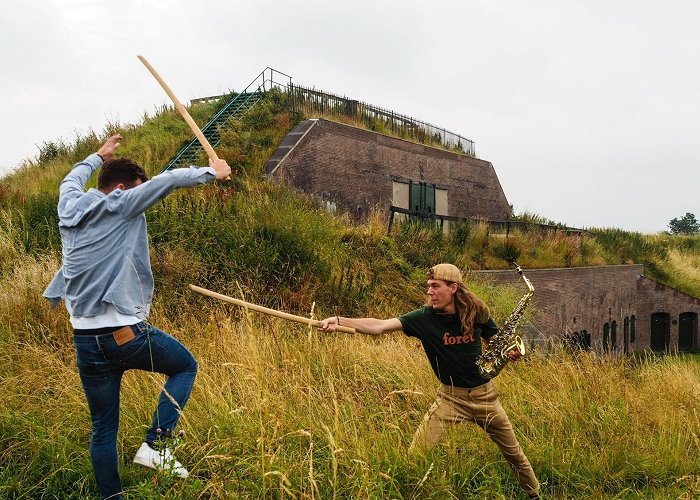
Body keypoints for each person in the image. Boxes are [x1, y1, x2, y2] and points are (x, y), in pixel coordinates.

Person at [43, 134, 231, 500]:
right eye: (134, 194)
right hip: (122, 333)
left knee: (102, 429)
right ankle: (157, 446)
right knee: (185, 366)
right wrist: (213, 171)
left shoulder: (68, 206)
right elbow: (168, 180)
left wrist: (97, 156)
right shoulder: (119, 205)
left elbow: (70, 179)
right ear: (119, 189)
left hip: (84, 339)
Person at [319, 263, 540, 499]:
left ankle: (534, 494)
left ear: (453, 288)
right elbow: (379, 326)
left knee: (514, 454)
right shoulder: (424, 318)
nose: (429, 292)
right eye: (428, 286)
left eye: (435, 286)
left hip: (485, 397)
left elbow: (496, 341)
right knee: (416, 455)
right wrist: (340, 320)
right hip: (450, 399)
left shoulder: (478, 312)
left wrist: (509, 352)